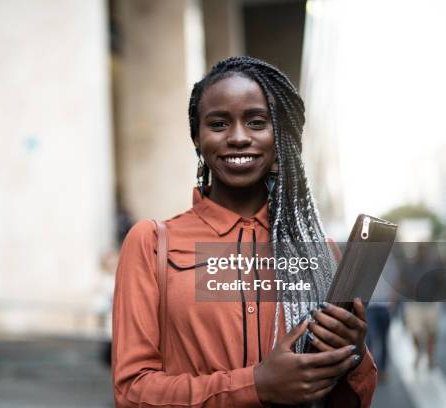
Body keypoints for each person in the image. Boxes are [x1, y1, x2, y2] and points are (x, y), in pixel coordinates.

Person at [111, 56, 377, 407]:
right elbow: (131, 393)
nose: (238, 138)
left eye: (256, 122)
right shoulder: (151, 244)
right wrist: (256, 385)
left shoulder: (320, 253)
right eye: (219, 124)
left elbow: (351, 400)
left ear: (279, 137)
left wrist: (352, 354)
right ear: (197, 138)